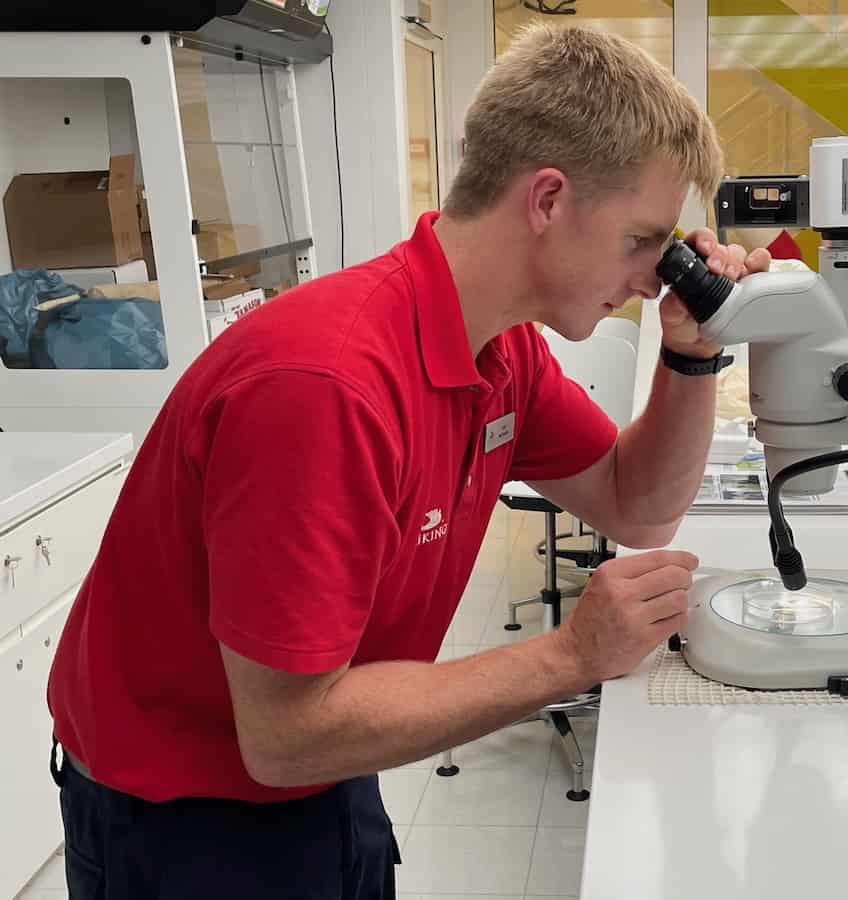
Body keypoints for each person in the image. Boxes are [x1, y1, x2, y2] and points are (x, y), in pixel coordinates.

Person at [45, 22, 770, 899]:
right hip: (185, 816)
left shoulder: (498, 351)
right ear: (547, 200)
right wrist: (572, 655)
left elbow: (635, 504)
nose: (658, 276)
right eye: (640, 241)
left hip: (324, 769)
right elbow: (283, 736)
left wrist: (691, 356)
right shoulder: (326, 387)